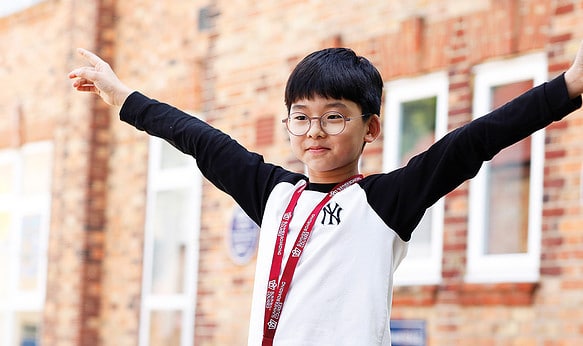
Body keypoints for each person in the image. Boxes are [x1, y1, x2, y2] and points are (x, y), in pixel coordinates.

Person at [69, 41, 583, 345]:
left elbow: (474, 141)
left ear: (371, 128)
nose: (315, 130)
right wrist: (121, 96)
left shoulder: (384, 201)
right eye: (302, 117)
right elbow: (199, 139)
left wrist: (567, 87)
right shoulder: (273, 195)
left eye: (334, 116)